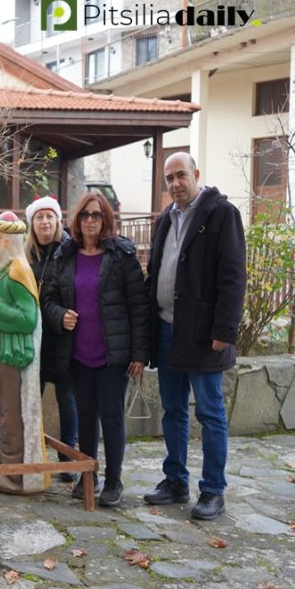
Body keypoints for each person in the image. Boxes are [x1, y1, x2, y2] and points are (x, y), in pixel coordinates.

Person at [142, 152, 246, 521]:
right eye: (169, 178)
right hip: (167, 329)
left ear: (196, 174)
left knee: (210, 411)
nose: (174, 184)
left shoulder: (221, 214)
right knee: (172, 409)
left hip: (203, 334)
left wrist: (224, 330)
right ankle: (175, 480)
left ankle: (213, 490)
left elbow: (233, 277)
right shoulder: (164, 220)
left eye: (181, 176)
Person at [42, 193, 150, 507]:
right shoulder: (65, 255)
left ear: (106, 220)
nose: (91, 220)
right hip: (77, 354)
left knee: (112, 417)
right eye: (86, 215)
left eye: (97, 215)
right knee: (86, 416)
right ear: (77, 220)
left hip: (113, 356)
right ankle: (88, 477)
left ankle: (113, 480)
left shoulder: (121, 256)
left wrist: (139, 354)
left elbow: (138, 306)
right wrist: (61, 315)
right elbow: (47, 300)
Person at [0, 212, 49, 494]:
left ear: (8, 241)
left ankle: (13, 475)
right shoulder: (5, 268)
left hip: (13, 354)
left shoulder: (19, 269)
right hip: (0, 350)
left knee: (9, 415)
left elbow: (28, 318)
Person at [25, 195, 79, 482]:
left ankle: (68, 455)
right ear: (32, 223)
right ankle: (32, 452)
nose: (44, 222)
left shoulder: (70, 252)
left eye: (49, 216)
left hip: (63, 335)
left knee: (66, 396)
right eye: (39, 217)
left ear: (58, 220)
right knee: (32, 398)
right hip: (34, 337)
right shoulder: (27, 254)